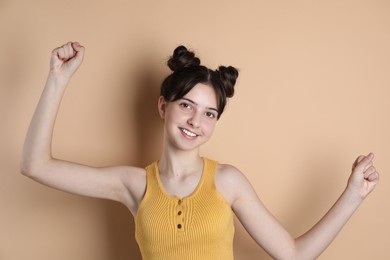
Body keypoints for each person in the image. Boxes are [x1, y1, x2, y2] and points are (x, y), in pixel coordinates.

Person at [21, 41, 379, 260]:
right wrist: (58, 78)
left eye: (209, 113)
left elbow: (294, 254)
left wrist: (352, 195)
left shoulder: (227, 181)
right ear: (164, 106)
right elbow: (35, 165)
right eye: (187, 105)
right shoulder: (134, 184)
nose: (196, 121)